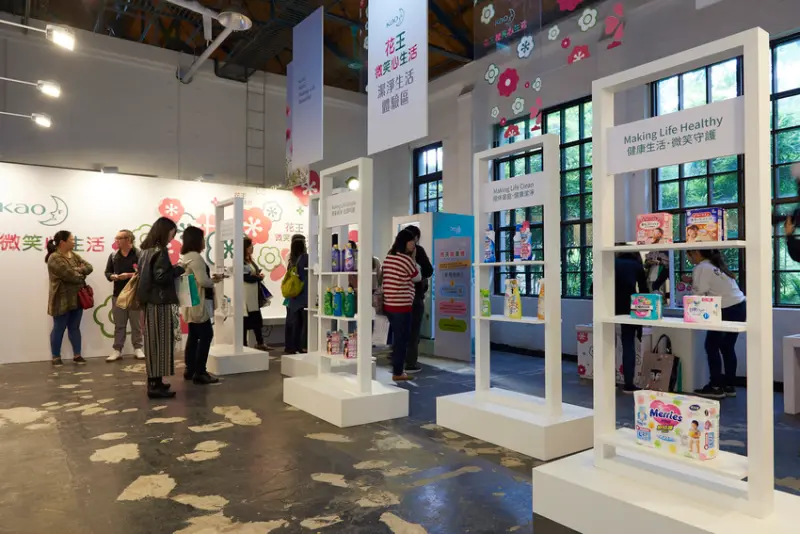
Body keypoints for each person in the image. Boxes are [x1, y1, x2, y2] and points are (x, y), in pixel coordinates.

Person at [688, 249, 745, 400]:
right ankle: (729, 386)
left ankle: (715, 386)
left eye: (689, 255)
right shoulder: (716, 266)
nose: (689, 259)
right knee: (727, 347)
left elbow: (698, 294)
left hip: (725, 310)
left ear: (696, 253)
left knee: (711, 346)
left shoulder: (702, 267)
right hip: (739, 307)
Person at [138, 217, 185, 399]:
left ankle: (155, 381)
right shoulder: (160, 251)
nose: (172, 237)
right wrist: (178, 269)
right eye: (172, 233)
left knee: (153, 344)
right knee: (161, 343)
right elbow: (161, 277)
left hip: (150, 302)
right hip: (160, 302)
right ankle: (154, 385)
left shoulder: (145, 251)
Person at [180, 226, 224, 385]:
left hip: (190, 301)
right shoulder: (196, 257)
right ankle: (200, 372)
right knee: (206, 335)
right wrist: (214, 281)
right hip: (198, 302)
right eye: (202, 238)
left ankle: (190, 369)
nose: (204, 242)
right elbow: (203, 281)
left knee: (194, 335)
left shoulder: (185, 256)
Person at [46, 231, 93, 366]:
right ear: (62, 242)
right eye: (71, 240)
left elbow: (89, 267)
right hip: (61, 299)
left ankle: (77, 355)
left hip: (77, 298)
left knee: (74, 327)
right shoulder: (54, 258)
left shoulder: (74, 255)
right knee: (59, 328)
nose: (74, 242)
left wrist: (78, 271)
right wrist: (80, 271)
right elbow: (70, 275)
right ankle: (56, 356)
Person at [382, 229, 422, 381]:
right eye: (412, 242)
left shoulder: (389, 258)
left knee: (396, 338)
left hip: (389, 304)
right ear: (406, 242)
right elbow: (417, 277)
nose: (414, 245)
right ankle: (398, 372)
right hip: (402, 305)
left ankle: (397, 368)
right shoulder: (406, 260)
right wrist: (414, 260)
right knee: (402, 339)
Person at [104, 229, 144, 362]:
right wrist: (113, 276)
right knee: (119, 324)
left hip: (135, 294)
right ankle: (117, 349)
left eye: (119, 238)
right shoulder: (114, 255)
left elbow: (144, 272)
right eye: (116, 238)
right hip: (118, 294)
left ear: (128, 239)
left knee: (136, 324)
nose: (116, 241)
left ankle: (138, 348)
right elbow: (107, 272)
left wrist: (128, 275)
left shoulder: (139, 254)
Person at [615, 250, 648, 394]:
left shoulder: (611, 263)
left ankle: (607, 380)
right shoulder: (636, 266)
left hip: (607, 306)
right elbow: (644, 291)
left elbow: (593, 288)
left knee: (606, 343)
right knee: (628, 344)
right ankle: (628, 384)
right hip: (629, 307)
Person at [404, 225, 433, 374]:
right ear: (415, 238)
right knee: (414, 331)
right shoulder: (418, 251)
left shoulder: (393, 252)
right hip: (414, 296)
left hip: (396, 298)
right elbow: (428, 271)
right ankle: (410, 363)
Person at [243, 237, 268, 351]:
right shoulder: (241, 261)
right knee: (245, 319)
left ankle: (260, 342)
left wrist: (258, 276)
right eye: (250, 246)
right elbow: (245, 277)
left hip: (254, 293)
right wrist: (258, 278)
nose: (251, 248)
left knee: (256, 319)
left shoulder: (250, 260)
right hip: (246, 294)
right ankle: (243, 344)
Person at [285, 234, 308, 355]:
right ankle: (302, 346)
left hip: (292, 295)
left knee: (293, 323)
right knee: (304, 323)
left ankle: (291, 346)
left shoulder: (290, 260)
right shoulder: (305, 258)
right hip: (303, 295)